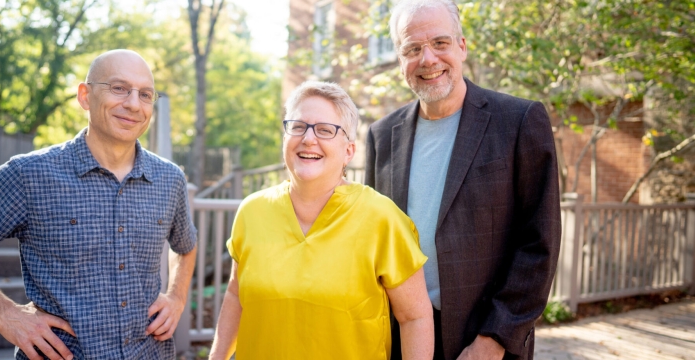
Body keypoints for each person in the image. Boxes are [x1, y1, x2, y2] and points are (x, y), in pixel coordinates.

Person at [0, 49, 197, 360]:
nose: (133, 103)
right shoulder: (29, 174)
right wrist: (5, 314)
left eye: (145, 94)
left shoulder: (169, 178)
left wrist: (176, 296)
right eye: (119, 88)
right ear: (84, 96)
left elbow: (186, 245)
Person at [364, 1, 562, 359]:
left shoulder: (518, 122)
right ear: (399, 59)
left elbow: (539, 243)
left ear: (462, 46)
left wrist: (495, 339)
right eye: (412, 49)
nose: (427, 59)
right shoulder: (381, 136)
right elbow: (370, 246)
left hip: (482, 340)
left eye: (440, 43)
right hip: (399, 341)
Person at [208, 81, 433, 360]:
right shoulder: (252, 211)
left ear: (349, 151)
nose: (308, 139)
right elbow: (234, 295)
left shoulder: (382, 219)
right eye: (298, 126)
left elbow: (414, 318)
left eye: (326, 130)